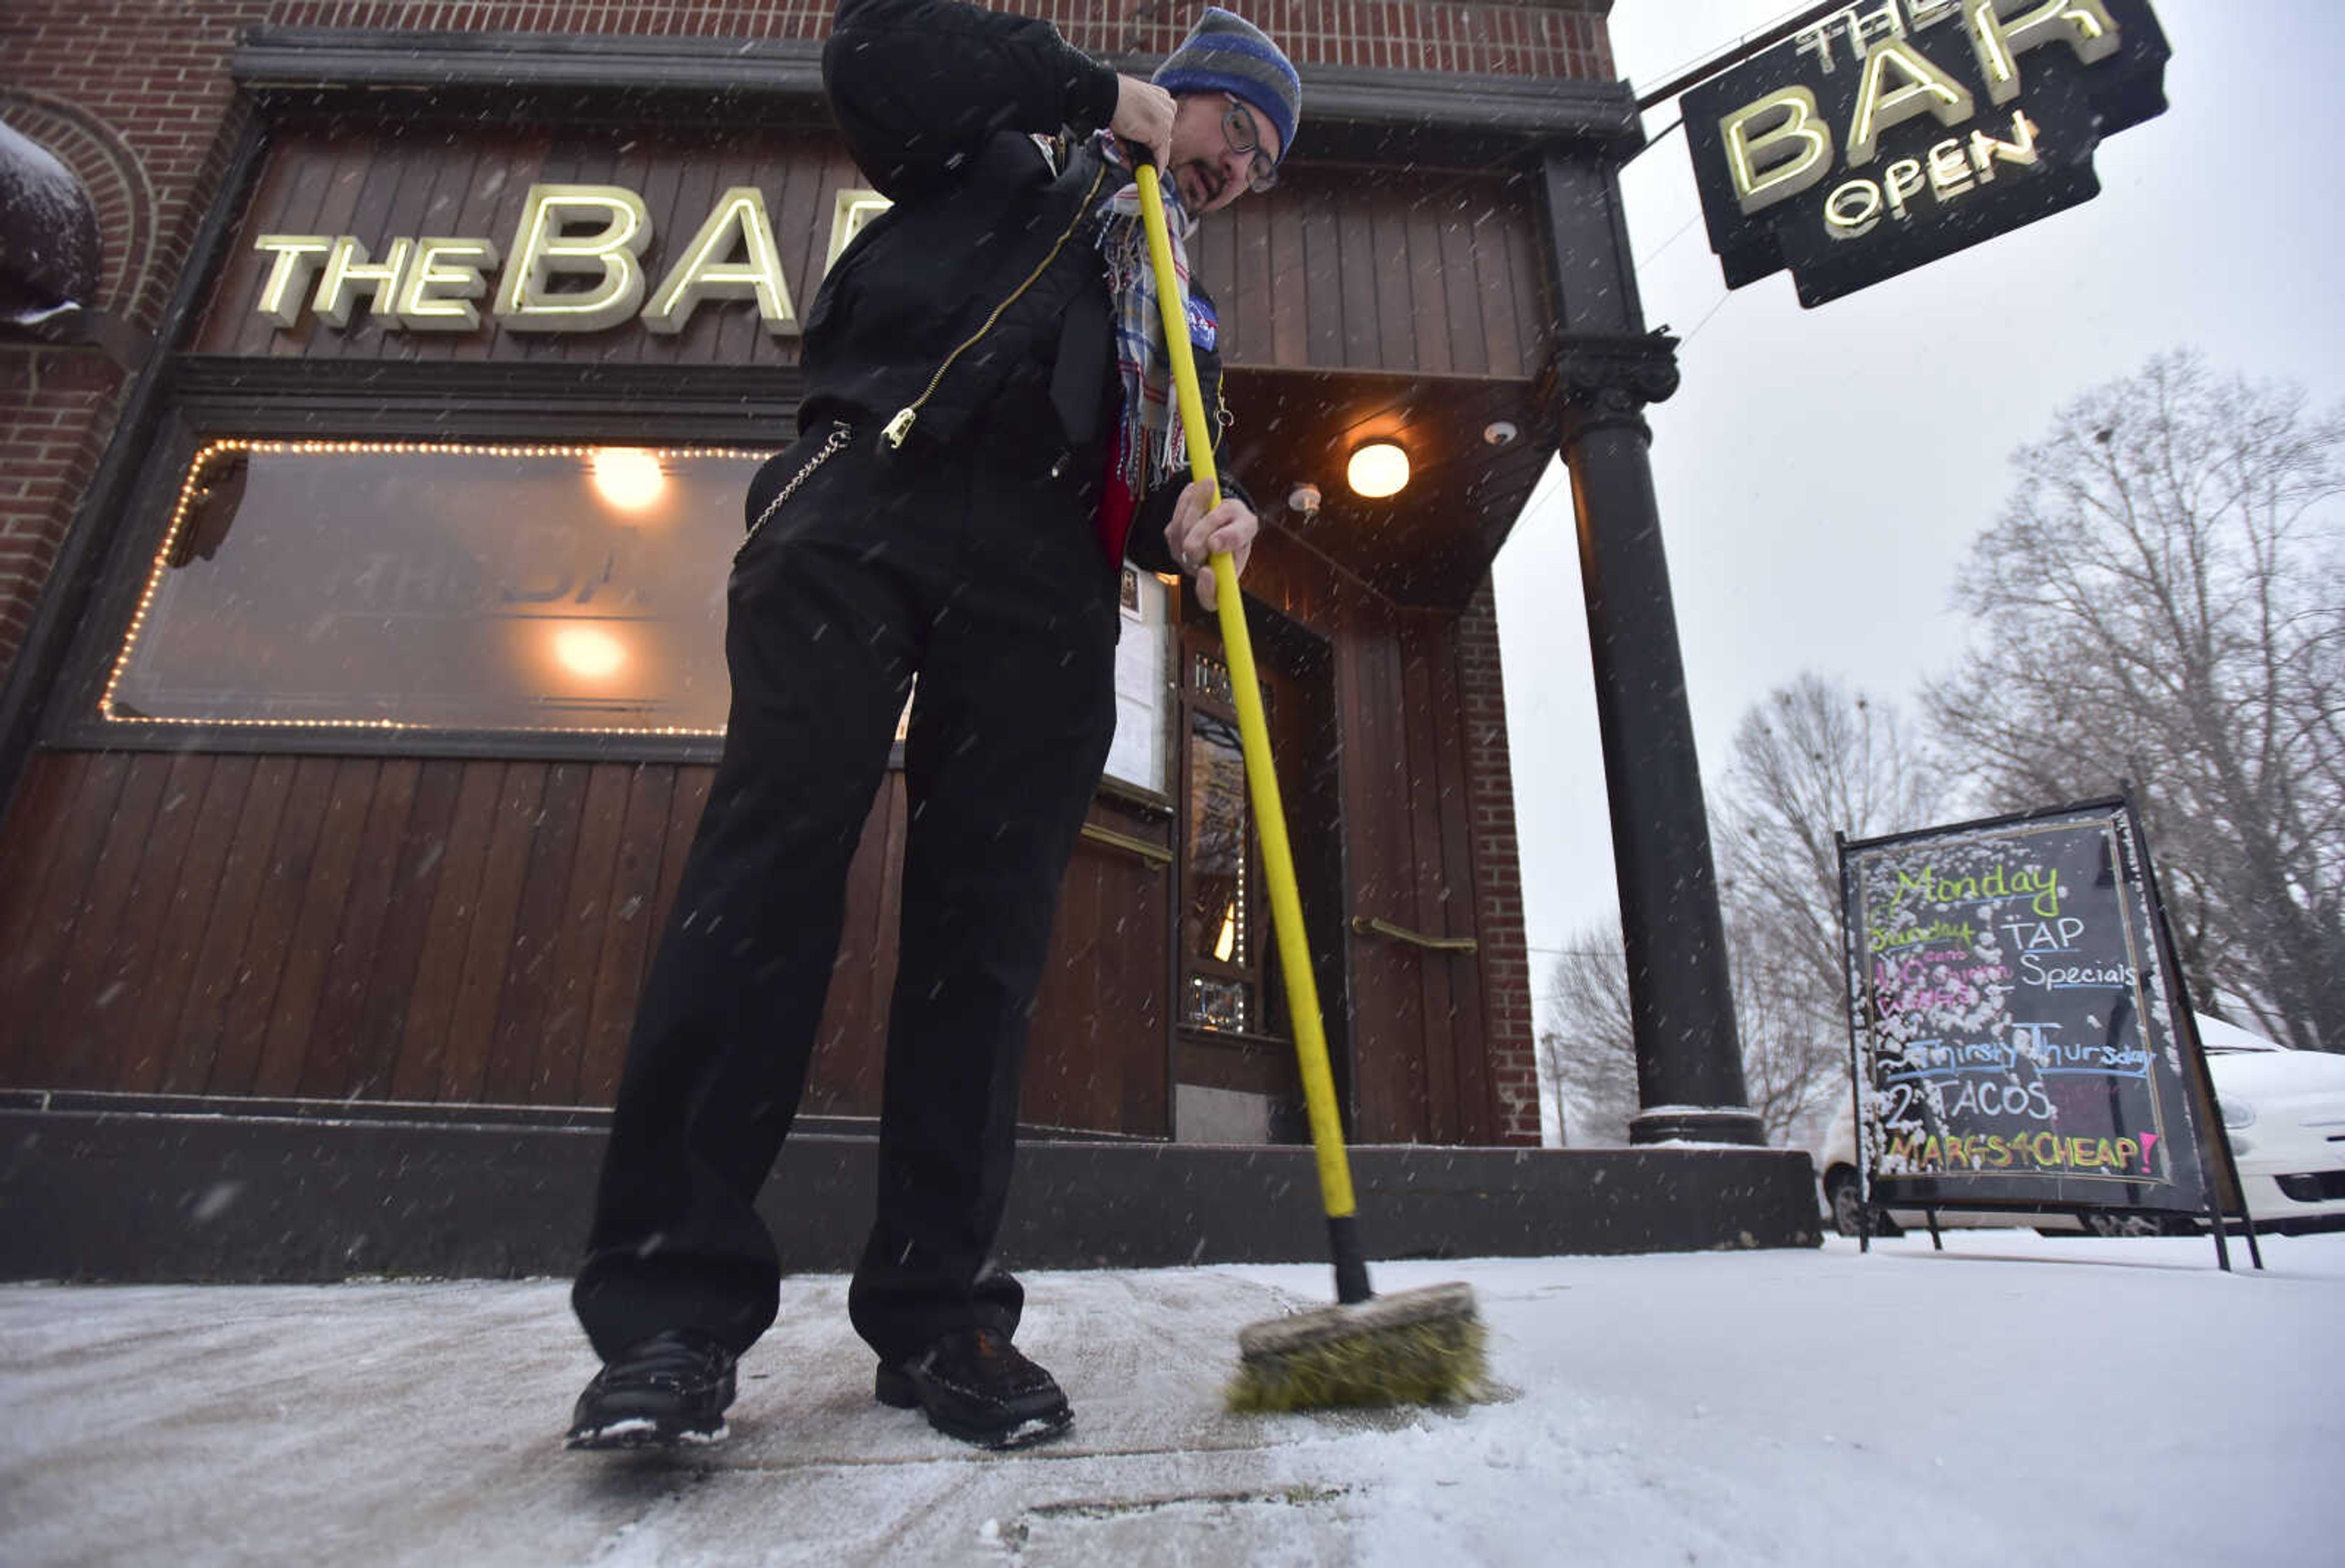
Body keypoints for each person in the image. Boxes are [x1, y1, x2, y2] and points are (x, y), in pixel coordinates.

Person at [565, 2, 1300, 1453]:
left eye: (1268, 164)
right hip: (866, 509)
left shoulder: (1182, 308)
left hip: (1045, 587)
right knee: (766, 879)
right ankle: (668, 1314)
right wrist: (1098, 93)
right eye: (1238, 129)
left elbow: (1154, 481)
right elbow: (876, 46)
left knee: (986, 944)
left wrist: (1196, 523)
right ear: (1186, 99)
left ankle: (942, 1313)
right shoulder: (1004, 151)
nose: (1243, 169)